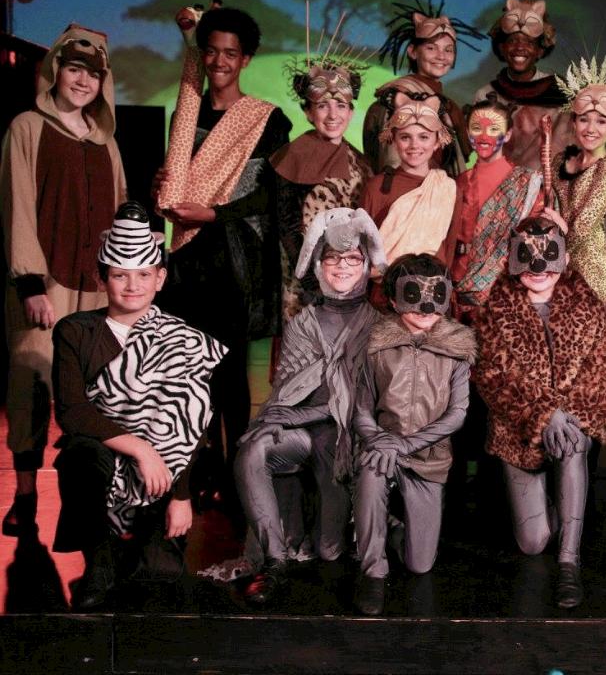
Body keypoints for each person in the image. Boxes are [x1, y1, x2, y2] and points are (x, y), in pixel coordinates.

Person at [51, 202, 225, 610]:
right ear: (101, 278)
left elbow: (191, 422)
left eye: (144, 274)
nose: (133, 285)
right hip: (105, 460)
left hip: (164, 473)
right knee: (79, 453)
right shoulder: (76, 331)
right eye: (120, 275)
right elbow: (73, 412)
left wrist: (181, 496)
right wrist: (140, 449)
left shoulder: (183, 339)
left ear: (160, 278)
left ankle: (147, 535)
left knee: (159, 579)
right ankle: (98, 560)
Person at [155, 3, 292, 498]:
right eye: (211, 51)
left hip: (233, 257)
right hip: (185, 258)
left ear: (245, 59)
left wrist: (212, 214)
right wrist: (163, 186)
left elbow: (270, 197)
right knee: (188, 373)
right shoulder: (185, 114)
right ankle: (197, 472)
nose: (219, 61)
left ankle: (238, 481)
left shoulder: (266, 120)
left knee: (230, 374)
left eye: (230, 54)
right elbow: (178, 177)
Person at [0, 24, 127, 536]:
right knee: (30, 383)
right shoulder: (28, 128)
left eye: (91, 75)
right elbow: (17, 205)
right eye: (74, 69)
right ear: (56, 71)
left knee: (96, 391)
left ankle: (94, 497)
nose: (82, 81)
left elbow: (120, 211)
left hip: (94, 289)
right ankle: (25, 495)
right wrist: (31, 283)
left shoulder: (105, 143)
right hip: (44, 284)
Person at [234, 208, 386, 604]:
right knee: (254, 448)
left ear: (366, 264)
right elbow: (287, 388)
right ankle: (274, 561)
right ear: (318, 264)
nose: (342, 266)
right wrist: (275, 417)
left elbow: (364, 402)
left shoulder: (379, 326)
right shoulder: (303, 322)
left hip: (345, 440)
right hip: (302, 436)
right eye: (333, 258)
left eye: (352, 258)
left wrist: (300, 414)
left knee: (329, 549)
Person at [475, 217, 606, 608]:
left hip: (572, 424)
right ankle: (562, 506)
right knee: (534, 541)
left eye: (549, 255)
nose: (538, 267)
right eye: (527, 256)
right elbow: (493, 377)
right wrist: (543, 415)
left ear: (566, 257)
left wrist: (569, 418)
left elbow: (603, 373)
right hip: (518, 436)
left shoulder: (587, 305)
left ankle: (569, 563)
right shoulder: (495, 309)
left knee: (573, 447)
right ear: (511, 259)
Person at [352, 254, 475, 615]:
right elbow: (361, 407)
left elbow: (457, 414)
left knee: (420, 564)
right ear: (393, 299)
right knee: (371, 474)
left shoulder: (457, 351)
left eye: (434, 294)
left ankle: (391, 526)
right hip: (382, 452)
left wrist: (406, 444)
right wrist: (380, 441)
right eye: (412, 294)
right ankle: (373, 570)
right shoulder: (376, 346)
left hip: (428, 459)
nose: (424, 306)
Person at [274, 49, 372, 321]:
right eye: (322, 106)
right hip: (304, 284)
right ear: (308, 112)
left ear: (351, 112)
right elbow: (287, 226)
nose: (332, 115)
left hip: (351, 279)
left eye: (340, 105)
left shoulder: (362, 163)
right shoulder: (293, 156)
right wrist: (313, 282)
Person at [551, 57, 606, 314]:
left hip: (592, 271)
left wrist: (553, 237)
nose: (591, 129)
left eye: (601, 121)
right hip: (553, 264)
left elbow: (583, 225)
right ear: (573, 122)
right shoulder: (559, 160)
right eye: (584, 119)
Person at [364, 0, 483, 177]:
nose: (441, 56)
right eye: (431, 48)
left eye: (448, 50)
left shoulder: (446, 103)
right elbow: (392, 162)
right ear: (413, 51)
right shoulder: (398, 99)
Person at [452, 96, 548, 317]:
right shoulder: (458, 182)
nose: (484, 136)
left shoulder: (527, 185)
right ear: (467, 133)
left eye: (494, 129)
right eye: (477, 128)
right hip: (458, 287)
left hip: (506, 290)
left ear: (508, 135)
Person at [360, 95, 459, 272]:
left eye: (424, 137)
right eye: (405, 137)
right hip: (385, 284)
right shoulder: (376, 188)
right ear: (393, 140)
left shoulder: (447, 188)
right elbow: (362, 249)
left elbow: (449, 249)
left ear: (437, 142)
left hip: (432, 283)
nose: (414, 145)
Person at [473, 0, 574, 169]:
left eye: (529, 42)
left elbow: (568, 146)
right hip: (499, 181)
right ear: (502, 48)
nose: (520, 47)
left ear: (540, 50)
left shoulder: (560, 92)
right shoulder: (486, 95)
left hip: (547, 181)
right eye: (513, 40)